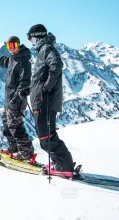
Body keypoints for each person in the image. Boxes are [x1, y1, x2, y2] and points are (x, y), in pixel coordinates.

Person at [0, 36, 35, 163]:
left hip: (17, 100)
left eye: (13, 46)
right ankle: (14, 148)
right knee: (6, 123)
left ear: (18, 45)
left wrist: (16, 98)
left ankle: (26, 153)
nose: (11, 49)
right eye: (9, 46)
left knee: (15, 126)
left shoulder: (24, 61)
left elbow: (25, 82)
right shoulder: (12, 59)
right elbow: (0, 60)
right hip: (9, 100)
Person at [27, 24, 74, 175]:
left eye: (30, 37)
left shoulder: (47, 49)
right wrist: (30, 90)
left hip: (45, 101)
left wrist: (46, 88)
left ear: (37, 36)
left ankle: (64, 166)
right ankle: (60, 164)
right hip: (41, 99)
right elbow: (40, 78)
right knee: (45, 136)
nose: (30, 41)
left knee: (46, 136)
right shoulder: (43, 50)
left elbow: (57, 66)